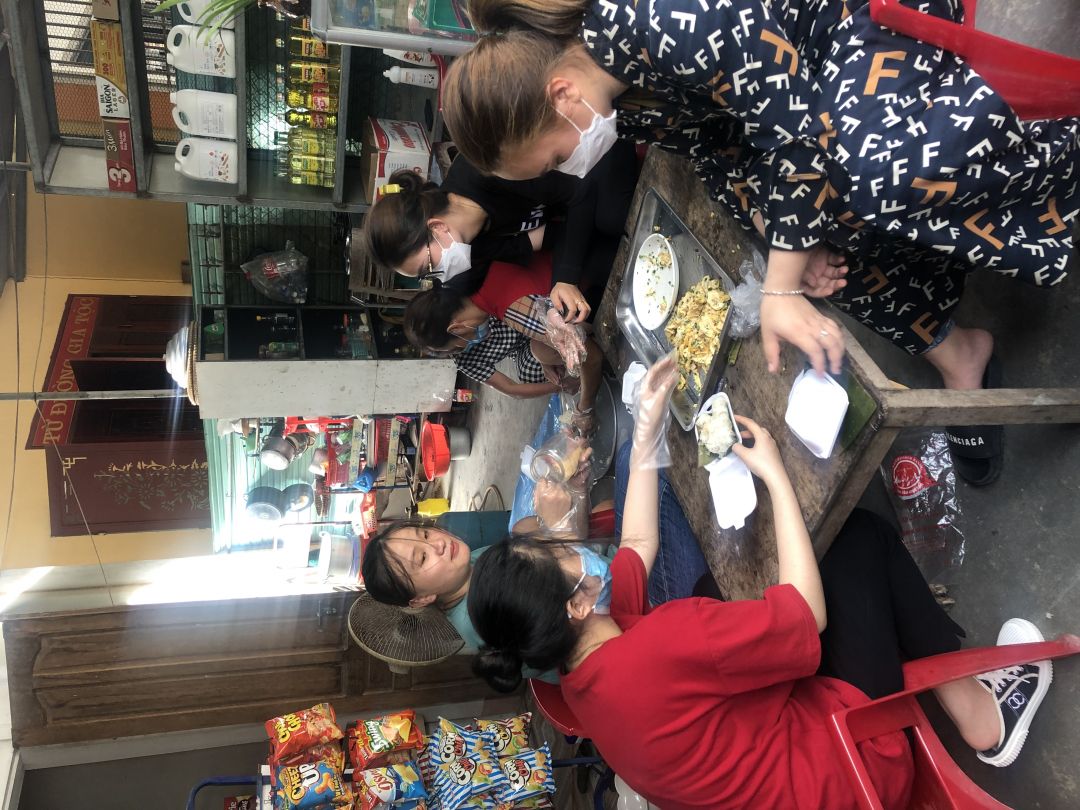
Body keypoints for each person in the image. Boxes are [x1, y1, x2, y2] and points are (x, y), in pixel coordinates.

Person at [442, 0, 1080, 485]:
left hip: (841, 27)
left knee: (874, 175)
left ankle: (1058, 168)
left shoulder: (659, 21)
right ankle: (953, 348)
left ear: (560, 94)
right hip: (800, 101)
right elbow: (717, 150)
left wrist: (780, 281)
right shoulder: (619, 99)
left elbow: (796, 125)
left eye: (557, 157)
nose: (572, 167)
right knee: (809, 251)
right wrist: (782, 246)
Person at [467, 357, 1056, 808]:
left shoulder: (581, 675)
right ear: (576, 604)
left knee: (732, 583)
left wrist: (646, 431)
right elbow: (805, 617)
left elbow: (637, 545)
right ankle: (984, 717)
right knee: (853, 539)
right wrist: (774, 475)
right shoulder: (661, 645)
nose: (569, 549)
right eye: (559, 556)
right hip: (850, 771)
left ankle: (945, 684)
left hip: (776, 761)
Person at [363, 140, 638, 320]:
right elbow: (549, 237)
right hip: (578, 200)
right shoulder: (474, 245)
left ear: (436, 227)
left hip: (594, 153)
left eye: (429, 265)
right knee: (601, 265)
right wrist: (557, 298)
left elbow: (581, 190)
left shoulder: (486, 169)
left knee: (611, 219)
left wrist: (566, 276)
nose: (440, 274)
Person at [403, 250, 604, 428]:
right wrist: (557, 378)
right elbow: (512, 388)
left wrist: (584, 409)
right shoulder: (477, 283)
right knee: (540, 353)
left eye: (457, 347)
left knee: (568, 348)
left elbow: (591, 357)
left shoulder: (509, 309)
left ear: (456, 328)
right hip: (570, 272)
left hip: (591, 279)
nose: (462, 350)